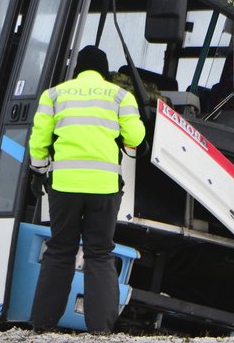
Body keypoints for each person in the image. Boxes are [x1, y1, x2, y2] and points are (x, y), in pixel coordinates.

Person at [27, 45, 145, 333]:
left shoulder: (54, 94)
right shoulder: (121, 96)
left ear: (77, 69)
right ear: (104, 72)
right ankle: (101, 329)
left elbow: (39, 140)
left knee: (60, 250)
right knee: (100, 253)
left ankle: (42, 324)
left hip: (64, 187)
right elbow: (135, 137)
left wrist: (40, 170)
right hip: (104, 188)